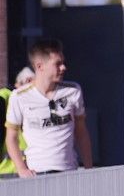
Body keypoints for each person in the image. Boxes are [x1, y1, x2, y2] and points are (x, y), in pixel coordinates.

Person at [6, 37, 91, 176]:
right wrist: (21, 169)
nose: (63, 67)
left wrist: (89, 169)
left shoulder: (73, 91)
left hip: (68, 171)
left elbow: (81, 132)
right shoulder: (19, 96)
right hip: (36, 174)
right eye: (57, 64)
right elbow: (11, 137)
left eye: (63, 63)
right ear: (40, 66)